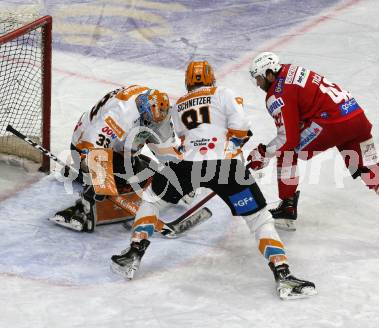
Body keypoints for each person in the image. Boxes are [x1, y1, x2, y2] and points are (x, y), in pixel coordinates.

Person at [110, 61, 317, 300]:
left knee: (151, 200)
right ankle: (283, 275)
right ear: (212, 79)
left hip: (187, 167)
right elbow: (240, 128)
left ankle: (133, 254)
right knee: (259, 219)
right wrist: (236, 145)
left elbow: (184, 138)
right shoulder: (224, 93)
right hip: (226, 168)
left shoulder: (179, 105)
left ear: (188, 81)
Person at [247, 51, 379, 237]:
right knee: (371, 171)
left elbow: (288, 139)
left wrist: (263, 154)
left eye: (260, 79)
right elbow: (305, 104)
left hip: (332, 124)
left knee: (287, 152)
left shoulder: (276, 95)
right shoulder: (292, 70)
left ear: (270, 73)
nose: (259, 84)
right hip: (356, 117)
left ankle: (287, 207)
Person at [50, 85, 182, 235]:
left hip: (118, 147)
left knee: (145, 171)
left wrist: (181, 171)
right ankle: (81, 180)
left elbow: (166, 146)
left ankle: (80, 173)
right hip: (85, 145)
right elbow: (94, 144)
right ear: (142, 110)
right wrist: (99, 177)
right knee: (112, 181)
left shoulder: (158, 111)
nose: (152, 125)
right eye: (148, 120)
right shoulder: (122, 113)